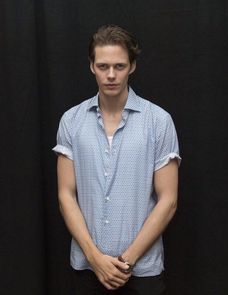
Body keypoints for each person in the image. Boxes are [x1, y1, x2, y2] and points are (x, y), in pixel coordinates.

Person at [53, 24, 181, 295]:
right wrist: (95, 259)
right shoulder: (71, 121)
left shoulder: (158, 122)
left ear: (132, 66)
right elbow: (65, 194)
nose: (111, 75)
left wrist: (124, 262)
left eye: (119, 66)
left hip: (142, 271)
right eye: (103, 66)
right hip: (87, 270)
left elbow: (168, 200)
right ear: (91, 66)